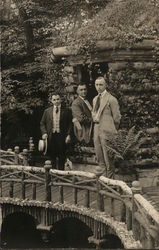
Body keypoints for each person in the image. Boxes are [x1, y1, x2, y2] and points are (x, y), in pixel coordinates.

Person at [92, 76, 121, 178]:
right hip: (96, 130)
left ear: (106, 85)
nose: (98, 87)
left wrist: (111, 130)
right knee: (100, 158)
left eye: (101, 84)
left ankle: (110, 185)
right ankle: (104, 183)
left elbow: (117, 118)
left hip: (107, 131)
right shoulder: (95, 99)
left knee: (108, 159)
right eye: (97, 84)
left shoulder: (111, 99)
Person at [40, 93, 72, 170]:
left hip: (62, 136)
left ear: (60, 99)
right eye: (54, 100)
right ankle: (53, 174)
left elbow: (70, 124)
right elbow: (42, 123)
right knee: (52, 156)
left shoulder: (67, 111)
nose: (56, 101)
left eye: (58, 99)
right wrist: (44, 133)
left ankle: (61, 175)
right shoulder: (47, 111)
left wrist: (69, 135)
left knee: (62, 156)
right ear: (51, 101)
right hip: (51, 136)